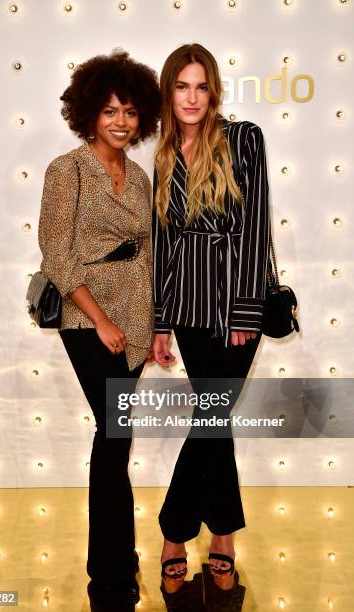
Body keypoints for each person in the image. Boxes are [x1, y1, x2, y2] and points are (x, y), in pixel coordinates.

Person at [37, 50, 161, 606]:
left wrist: (154, 325)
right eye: (110, 110)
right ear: (88, 112)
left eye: (131, 112)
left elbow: (151, 254)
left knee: (117, 439)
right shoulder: (67, 170)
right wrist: (102, 320)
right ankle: (108, 578)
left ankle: (118, 567)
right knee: (113, 437)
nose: (121, 121)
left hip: (135, 319)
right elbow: (57, 257)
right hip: (89, 321)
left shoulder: (137, 176)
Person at [151, 43, 270, 597]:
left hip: (235, 308)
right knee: (213, 421)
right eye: (182, 86)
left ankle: (176, 535)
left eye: (200, 86)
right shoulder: (165, 153)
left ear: (213, 89)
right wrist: (159, 321)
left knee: (211, 417)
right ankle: (222, 535)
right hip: (190, 312)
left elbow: (255, 224)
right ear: (169, 91)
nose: (192, 98)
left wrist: (248, 306)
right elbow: (162, 243)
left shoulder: (243, 137)